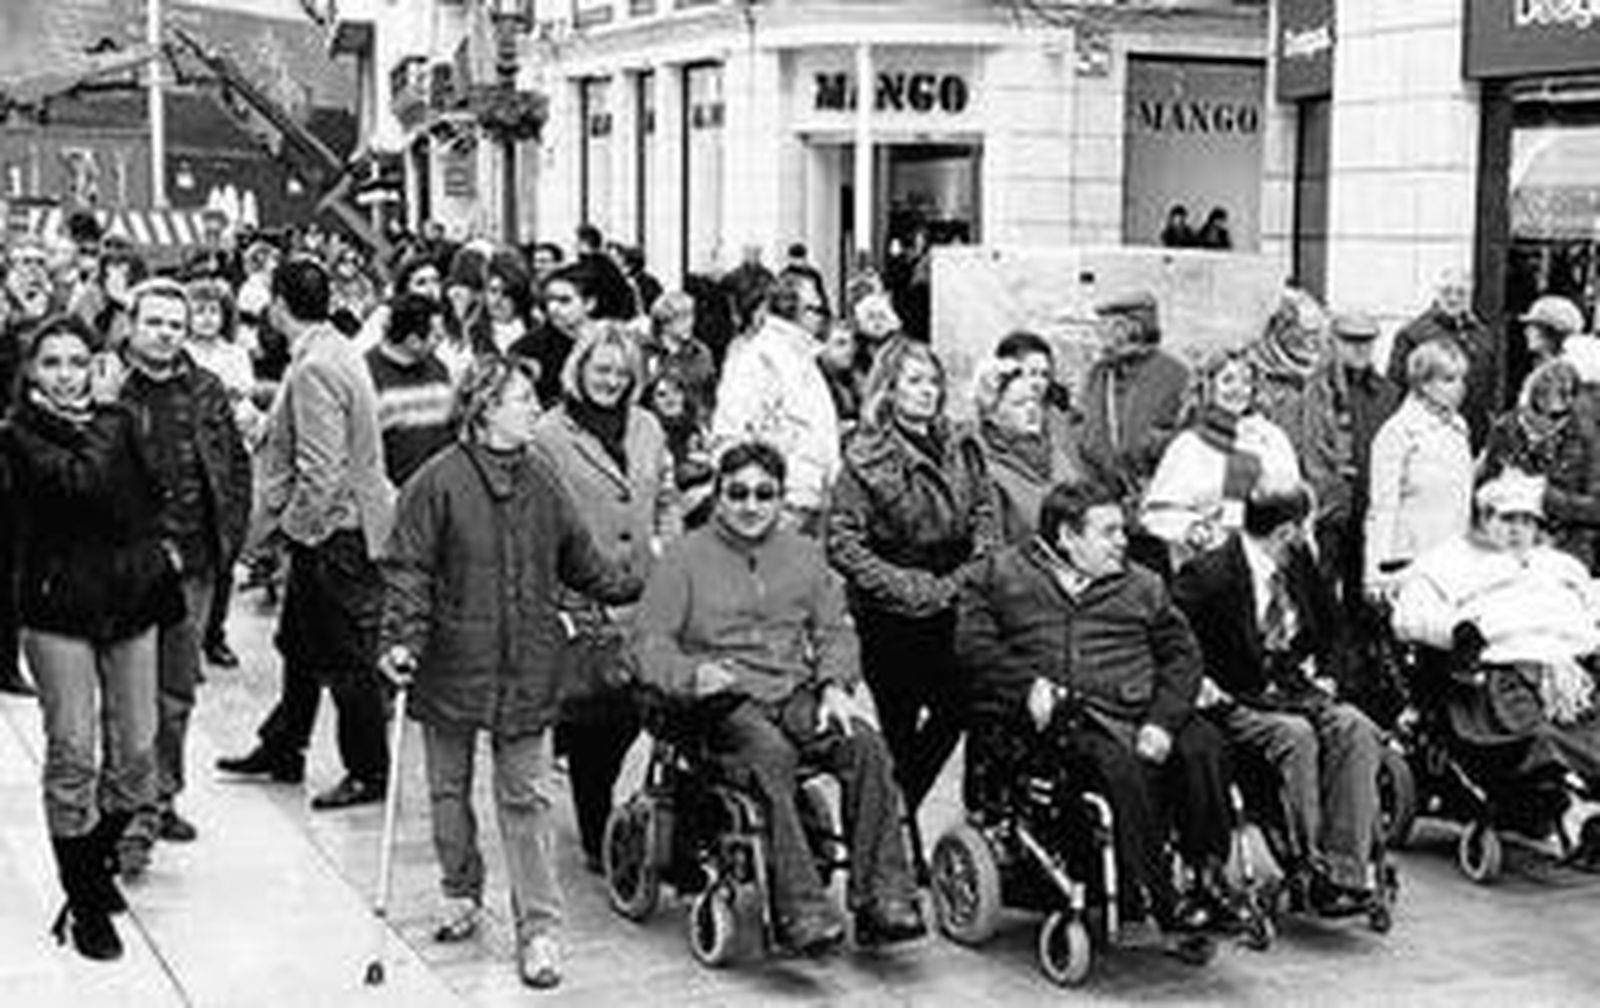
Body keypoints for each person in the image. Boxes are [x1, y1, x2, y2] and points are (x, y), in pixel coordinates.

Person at [380, 356, 641, 990]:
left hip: (527, 660)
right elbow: (409, 569)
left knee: (526, 797)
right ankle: (460, 890)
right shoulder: (436, 482)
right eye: (522, 398)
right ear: (485, 408)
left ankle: (540, 929)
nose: (534, 408)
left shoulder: (542, 478)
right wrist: (401, 639)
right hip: (451, 659)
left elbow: (579, 558)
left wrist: (637, 582)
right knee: (448, 789)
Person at [634, 441, 925, 953]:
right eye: (738, 493)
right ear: (720, 495)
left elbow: (835, 629)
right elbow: (648, 643)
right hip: (722, 699)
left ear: (781, 498)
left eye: (763, 493)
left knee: (865, 746)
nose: (750, 505)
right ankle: (801, 910)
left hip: (792, 691)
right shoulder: (684, 558)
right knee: (771, 755)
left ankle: (882, 898)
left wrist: (835, 684)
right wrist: (692, 674)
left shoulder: (804, 555)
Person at [959, 479, 1230, 946]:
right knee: (1115, 768)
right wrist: (1025, 685)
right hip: (1067, 718)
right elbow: (973, 647)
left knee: (1204, 745)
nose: (1122, 542)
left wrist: (1162, 723)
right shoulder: (999, 576)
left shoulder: (1143, 584)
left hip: (1141, 706)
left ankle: (1208, 880)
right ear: (1068, 536)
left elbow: (1183, 656)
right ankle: (1157, 897)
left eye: (1121, 530)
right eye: (1108, 532)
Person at [2, 313, 183, 960]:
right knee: (74, 751)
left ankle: (94, 861)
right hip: (58, 609)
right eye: (51, 362)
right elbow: (82, 486)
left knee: (137, 754)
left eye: (78, 361)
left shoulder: (118, 419)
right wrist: (109, 417)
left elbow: (152, 490)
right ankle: (82, 898)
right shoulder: (20, 434)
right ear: (31, 370)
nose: (66, 374)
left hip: (129, 602)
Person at [216, 257, 397, 810]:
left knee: (345, 659)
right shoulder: (335, 348)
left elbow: (322, 469)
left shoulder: (316, 365)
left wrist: (292, 532)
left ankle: (368, 770)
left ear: (277, 306)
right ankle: (284, 745)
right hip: (343, 524)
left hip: (334, 533)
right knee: (297, 643)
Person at [1173, 485, 1385, 916]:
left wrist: (1330, 673)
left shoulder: (1298, 564)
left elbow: (1333, 628)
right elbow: (1171, 637)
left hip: (1292, 688)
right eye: (1304, 529)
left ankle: (1345, 870)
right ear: (1287, 531)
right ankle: (1307, 864)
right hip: (1237, 696)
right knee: (1297, 736)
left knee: (1356, 728)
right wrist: (1199, 682)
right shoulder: (1209, 575)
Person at [826, 339, 998, 813]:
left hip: (953, 597)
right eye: (914, 381)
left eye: (933, 381)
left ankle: (897, 811)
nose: (927, 391)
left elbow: (985, 513)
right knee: (898, 728)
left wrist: (965, 576)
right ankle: (898, 833)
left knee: (958, 705)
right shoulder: (868, 455)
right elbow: (843, 540)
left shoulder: (961, 444)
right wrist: (905, 586)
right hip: (890, 611)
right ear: (890, 388)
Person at [533, 323, 681, 874]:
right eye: (602, 369)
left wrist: (671, 551)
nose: (611, 381)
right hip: (581, 594)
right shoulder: (549, 434)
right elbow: (536, 515)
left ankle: (599, 792)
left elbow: (666, 496)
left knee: (638, 708)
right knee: (598, 716)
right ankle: (597, 832)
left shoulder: (647, 427)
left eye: (622, 372)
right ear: (580, 368)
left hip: (644, 591)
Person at [116, 279, 251, 861]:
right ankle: (129, 808)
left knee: (175, 691)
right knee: (126, 693)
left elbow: (234, 468)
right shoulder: (109, 389)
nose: (166, 333)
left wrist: (231, 541)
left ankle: (161, 796)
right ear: (132, 324)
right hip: (126, 567)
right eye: (154, 322)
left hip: (193, 565)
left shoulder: (206, 389)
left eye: (175, 324)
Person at [1390, 470, 1600, 793]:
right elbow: (1410, 616)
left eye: (1527, 521)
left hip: (1574, 679)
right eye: (1508, 519)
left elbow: (1592, 601)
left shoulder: (1559, 566)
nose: (1517, 530)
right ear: (1485, 519)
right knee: (1541, 740)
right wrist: (1456, 631)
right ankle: (1562, 799)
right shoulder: (1450, 561)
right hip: (1498, 681)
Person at [1141, 348, 1302, 571]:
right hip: (1207, 563)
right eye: (1228, 380)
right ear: (1209, 387)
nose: (1238, 389)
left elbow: (1293, 498)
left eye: (1246, 381)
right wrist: (1194, 530)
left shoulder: (1271, 438)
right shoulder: (1188, 445)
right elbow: (1158, 513)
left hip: (1265, 560)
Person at [712, 270, 842, 534]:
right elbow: (732, 436)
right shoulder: (759, 359)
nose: (822, 317)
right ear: (794, 310)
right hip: (780, 506)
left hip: (811, 502)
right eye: (817, 309)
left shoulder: (800, 356)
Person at [1300, 311, 1402, 611]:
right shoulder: (1317, 391)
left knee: (1367, 599)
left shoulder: (1388, 394)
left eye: (1367, 341)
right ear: (1334, 342)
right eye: (1351, 341)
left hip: (1374, 508)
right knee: (1324, 597)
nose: (1360, 348)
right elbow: (1311, 453)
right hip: (1332, 512)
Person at [1366, 338, 1474, 595]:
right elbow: (1382, 507)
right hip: (1411, 559)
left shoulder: (1459, 428)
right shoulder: (1398, 432)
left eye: (1461, 378)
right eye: (1448, 380)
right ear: (1424, 384)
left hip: (1454, 559)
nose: (1460, 388)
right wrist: (1376, 573)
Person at [1480, 360, 1600, 572]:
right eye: (1537, 411)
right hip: (1508, 542)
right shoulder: (1505, 430)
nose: (1546, 422)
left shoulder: (1586, 439)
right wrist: (1502, 490)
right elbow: (1483, 493)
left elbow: (1596, 508)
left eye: (1557, 416)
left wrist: (1548, 497)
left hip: (1567, 547)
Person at [1079, 291, 1190, 499]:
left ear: (1131, 328)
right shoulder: (1099, 374)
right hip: (1103, 497)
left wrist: (1152, 446)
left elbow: (1192, 440)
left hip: (1156, 496)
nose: (1099, 334)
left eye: (1108, 326)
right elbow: (1084, 430)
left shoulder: (1175, 375)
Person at [971, 354, 1084, 544]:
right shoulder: (984, 467)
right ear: (992, 414)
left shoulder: (1057, 452)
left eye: (1035, 401)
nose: (1031, 410)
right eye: (1019, 404)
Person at [1386, 269, 1499, 448]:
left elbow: (1492, 388)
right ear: (1436, 293)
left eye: (1461, 293)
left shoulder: (1482, 336)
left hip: (1474, 432)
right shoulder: (1413, 334)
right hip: (1427, 433)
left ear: (1470, 296)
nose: (1453, 298)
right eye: (1447, 291)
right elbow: (1395, 390)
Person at [367, 292, 457, 488]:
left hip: (440, 489)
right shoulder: (366, 376)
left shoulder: (438, 369)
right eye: (436, 336)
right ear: (413, 341)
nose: (442, 339)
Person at [1247, 288, 1328, 454]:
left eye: (1318, 333)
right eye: (1308, 333)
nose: (1315, 343)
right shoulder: (1251, 374)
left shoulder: (1323, 371)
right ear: (1283, 330)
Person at [510, 262, 599, 410]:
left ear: (589, 303)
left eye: (564, 300)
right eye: (549, 300)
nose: (553, 308)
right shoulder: (529, 348)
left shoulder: (606, 339)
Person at [641, 290, 717, 418]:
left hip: (690, 420)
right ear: (664, 323)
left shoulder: (700, 353)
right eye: (682, 318)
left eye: (691, 316)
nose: (689, 323)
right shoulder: (645, 352)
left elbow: (708, 395)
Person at [1519, 294, 1586, 371]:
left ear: (1551, 330)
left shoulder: (1568, 370)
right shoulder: (1544, 367)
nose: (1526, 332)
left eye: (1534, 326)